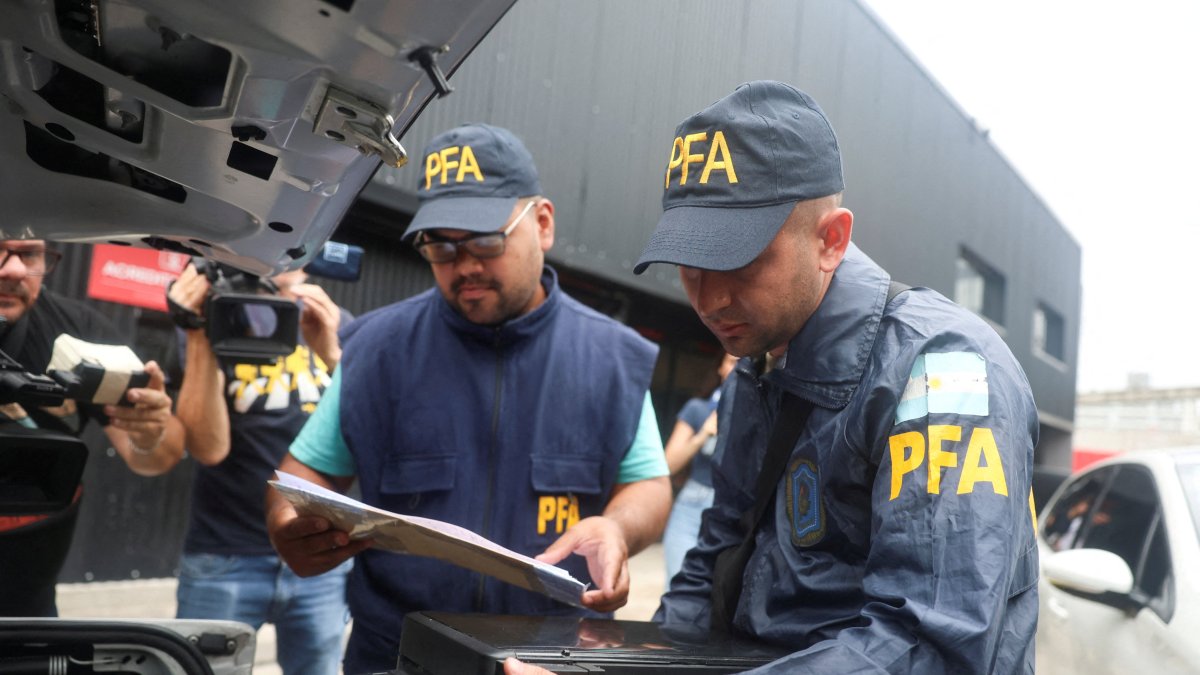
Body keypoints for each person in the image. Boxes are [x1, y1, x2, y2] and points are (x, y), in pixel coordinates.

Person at [626, 81, 1036, 674]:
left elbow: (929, 644)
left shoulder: (945, 370)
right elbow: (715, 560)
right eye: (689, 263)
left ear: (830, 240)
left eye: (737, 259)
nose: (709, 299)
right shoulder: (756, 366)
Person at [264, 123, 673, 673]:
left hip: (548, 660)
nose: (466, 265)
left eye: (486, 241)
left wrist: (618, 528)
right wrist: (291, 527)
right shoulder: (378, 351)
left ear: (543, 224)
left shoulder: (609, 357)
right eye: (441, 246)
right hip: (399, 657)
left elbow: (648, 484)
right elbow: (300, 477)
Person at [166, 263, 351, 675]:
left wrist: (334, 354)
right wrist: (199, 331)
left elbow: (365, 434)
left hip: (320, 549)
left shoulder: (332, 321)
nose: (277, 261)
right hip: (225, 552)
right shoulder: (215, 320)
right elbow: (208, 448)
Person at [0, 238, 184, 616]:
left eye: (30, 253)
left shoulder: (77, 332)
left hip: (28, 600)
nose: (14, 269)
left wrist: (150, 431)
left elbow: (152, 457)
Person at [661, 352, 737, 583]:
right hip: (692, 506)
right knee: (679, 584)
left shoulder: (762, 412)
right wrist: (702, 434)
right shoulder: (697, 409)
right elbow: (668, 465)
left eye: (746, 362)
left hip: (734, 510)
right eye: (732, 362)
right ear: (721, 367)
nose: (738, 368)